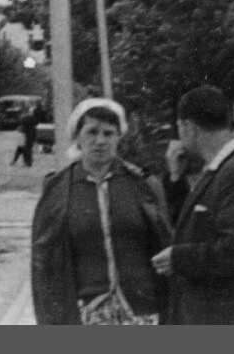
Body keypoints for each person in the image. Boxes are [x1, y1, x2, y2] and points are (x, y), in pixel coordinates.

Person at [31, 98, 171, 325]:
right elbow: (44, 263)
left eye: (108, 133)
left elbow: (165, 243)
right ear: (77, 137)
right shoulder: (57, 190)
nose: (100, 141)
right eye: (92, 132)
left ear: (119, 137)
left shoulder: (142, 184)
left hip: (142, 311)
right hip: (86, 314)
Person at [153, 85, 234, 324]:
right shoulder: (220, 170)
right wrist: (175, 178)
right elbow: (191, 228)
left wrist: (178, 258)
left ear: (189, 127)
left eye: (179, 128)